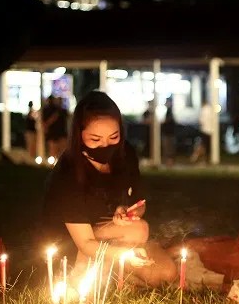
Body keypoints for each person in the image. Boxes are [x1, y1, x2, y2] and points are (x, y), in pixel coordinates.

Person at [43, 91, 176, 287]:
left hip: (115, 239)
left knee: (166, 273)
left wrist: (128, 212)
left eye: (113, 137)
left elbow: (140, 203)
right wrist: (127, 255)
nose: (106, 145)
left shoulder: (125, 153)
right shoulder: (68, 173)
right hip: (73, 245)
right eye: (95, 140)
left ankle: (113, 270)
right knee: (138, 231)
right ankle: (87, 273)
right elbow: (85, 243)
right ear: (79, 137)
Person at [161, 98, 177, 166]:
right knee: (168, 147)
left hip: (169, 133)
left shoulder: (169, 111)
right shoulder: (169, 111)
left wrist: (163, 122)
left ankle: (170, 161)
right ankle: (169, 160)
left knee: (168, 147)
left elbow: (169, 120)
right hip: (169, 132)